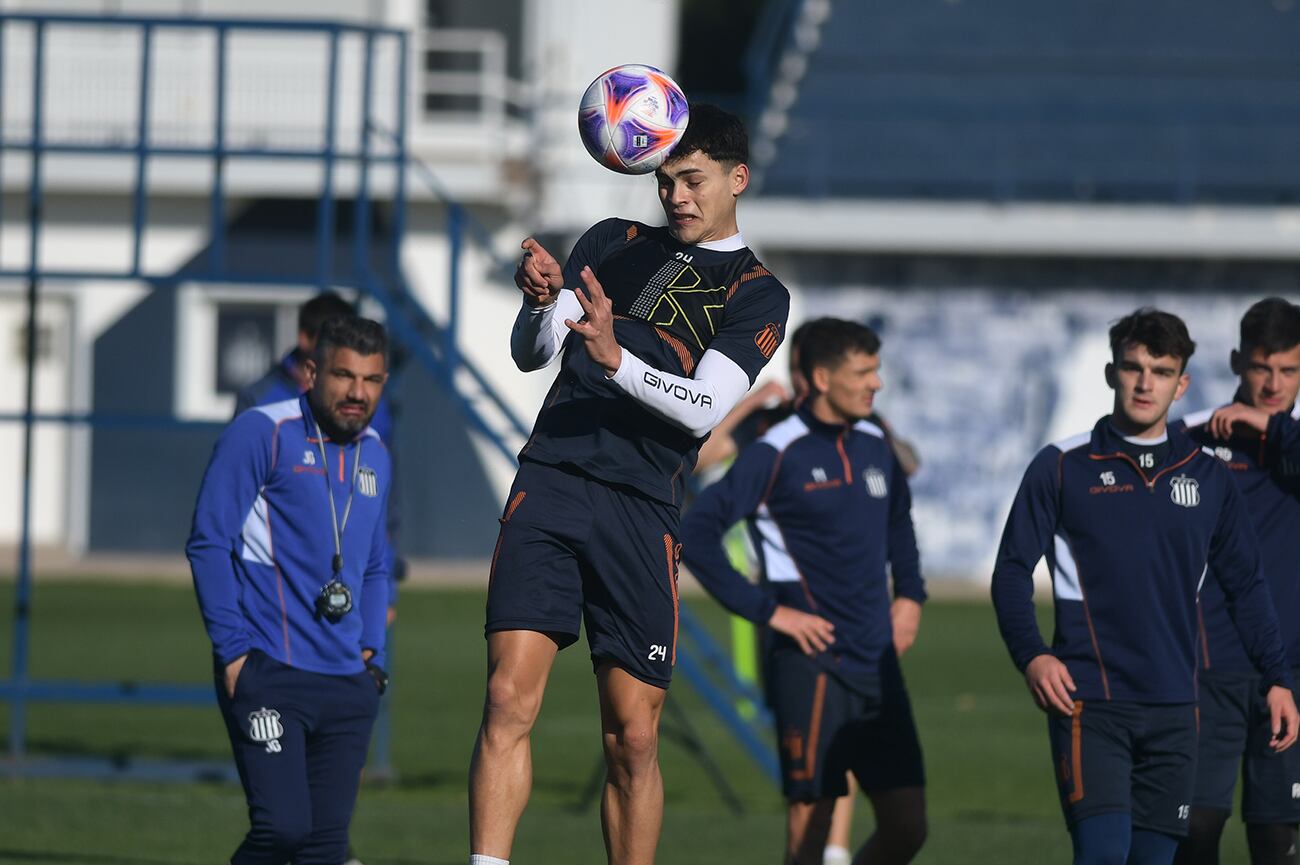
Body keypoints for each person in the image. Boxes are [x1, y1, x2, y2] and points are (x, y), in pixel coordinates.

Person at [468, 103, 790, 865]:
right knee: (508, 698)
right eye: (667, 180)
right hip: (550, 479)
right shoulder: (611, 241)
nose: (676, 196)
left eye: (694, 180)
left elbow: (706, 407)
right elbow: (531, 354)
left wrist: (617, 359)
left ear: (736, 179)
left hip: (643, 507)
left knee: (633, 735)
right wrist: (540, 304)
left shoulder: (758, 292)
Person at [991, 307, 1300, 865]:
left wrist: (1277, 679)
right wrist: (1032, 655)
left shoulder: (1207, 477)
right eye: (1133, 368)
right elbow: (1012, 569)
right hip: (1090, 705)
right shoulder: (1061, 466)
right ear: (1112, 373)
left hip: (1179, 710)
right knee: (1104, 855)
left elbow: (1246, 587)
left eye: (1160, 371)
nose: (1144, 382)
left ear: (1181, 384)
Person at [680, 318, 928, 865]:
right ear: (820, 377)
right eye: (863, 372)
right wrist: (771, 614)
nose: (877, 384)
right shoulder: (775, 451)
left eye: (876, 370)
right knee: (810, 826)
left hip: (877, 662)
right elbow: (696, 535)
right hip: (809, 664)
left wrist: (909, 596)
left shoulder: (875, 444)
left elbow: (901, 528)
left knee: (908, 825)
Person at [187, 315, 393, 865]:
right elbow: (208, 542)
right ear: (311, 372)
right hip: (269, 670)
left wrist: (373, 654)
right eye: (343, 375)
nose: (357, 392)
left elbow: (376, 565)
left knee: (325, 849)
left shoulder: (376, 453)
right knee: (282, 830)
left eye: (371, 380)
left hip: (349, 682)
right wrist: (232, 652)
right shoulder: (262, 432)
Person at [1174, 297, 1300, 865]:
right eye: (1261, 367)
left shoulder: (1291, 445)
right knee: (1197, 827)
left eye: (1290, 370)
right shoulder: (1194, 442)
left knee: (1276, 837)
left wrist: (1272, 429)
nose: (1274, 382)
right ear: (1236, 363)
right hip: (1211, 665)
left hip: (1290, 672)